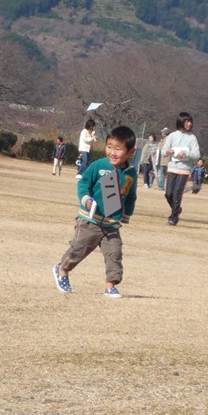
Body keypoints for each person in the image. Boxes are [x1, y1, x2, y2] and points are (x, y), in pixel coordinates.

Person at [53, 126, 138, 299]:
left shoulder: (131, 173)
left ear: (131, 152)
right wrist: (86, 199)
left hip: (111, 225)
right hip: (90, 220)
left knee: (114, 254)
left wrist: (126, 215)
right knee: (79, 249)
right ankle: (62, 269)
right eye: (109, 147)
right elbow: (84, 184)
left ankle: (110, 286)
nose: (112, 152)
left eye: (118, 149)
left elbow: (131, 196)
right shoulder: (99, 166)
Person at [161, 112, 201, 226]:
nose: (190, 124)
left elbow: (197, 155)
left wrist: (186, 153)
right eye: (187, 121)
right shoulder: (172, 136)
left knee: (177, 194)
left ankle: (173, 218)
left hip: (184, 169)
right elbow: (163, 151)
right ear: (181, 121)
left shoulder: (192, 138)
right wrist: (167, 151)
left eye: (190, 121)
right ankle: (177, 209)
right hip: (172, 167)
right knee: (168, 194)